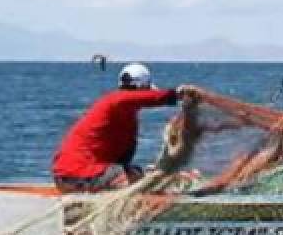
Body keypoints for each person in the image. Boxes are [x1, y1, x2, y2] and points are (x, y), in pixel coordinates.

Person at [52, 63, 192, 193]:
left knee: (137, 174)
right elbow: (154, 98)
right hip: (74, 176)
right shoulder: (116, 101)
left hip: (70, 176)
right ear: (141, 89)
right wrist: (177, 95)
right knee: (130, 180)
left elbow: (123, 159)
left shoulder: (123, 114)